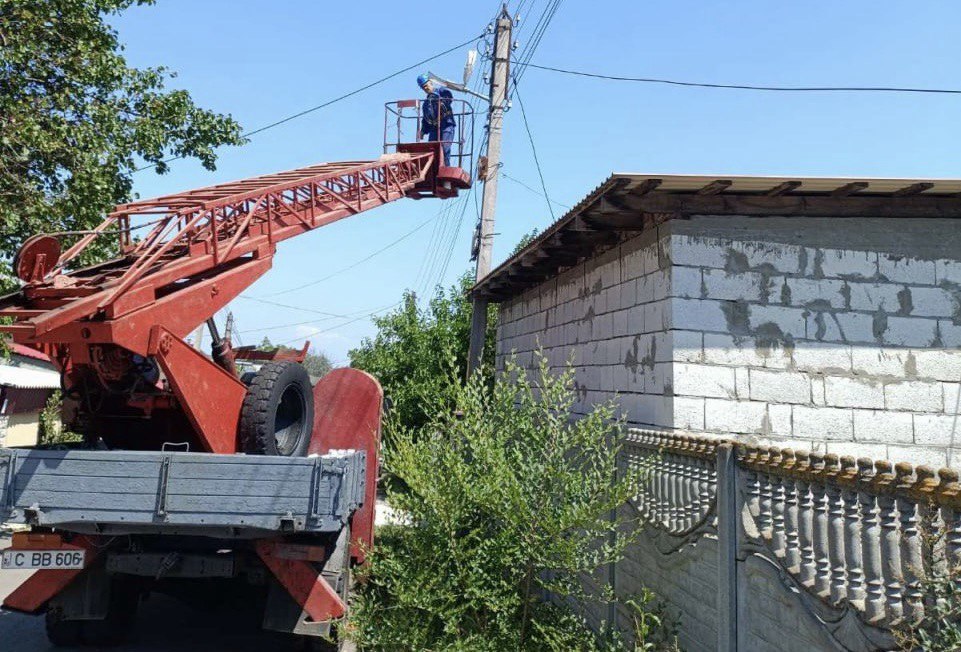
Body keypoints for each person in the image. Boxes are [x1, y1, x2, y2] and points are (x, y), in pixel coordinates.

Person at [417, 74, 456, 167]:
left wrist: (437, 97)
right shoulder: (426, 104)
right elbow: (426, 119)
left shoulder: (441, 91)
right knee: (431, 150)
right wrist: (422, 131)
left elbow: (449, 98)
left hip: (446, 124)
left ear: (431, 83)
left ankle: (445, 168)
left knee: (444, 148)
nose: (425, 88)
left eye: (426, 85)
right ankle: (433, 169)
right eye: (423, 87)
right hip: (434, 128)